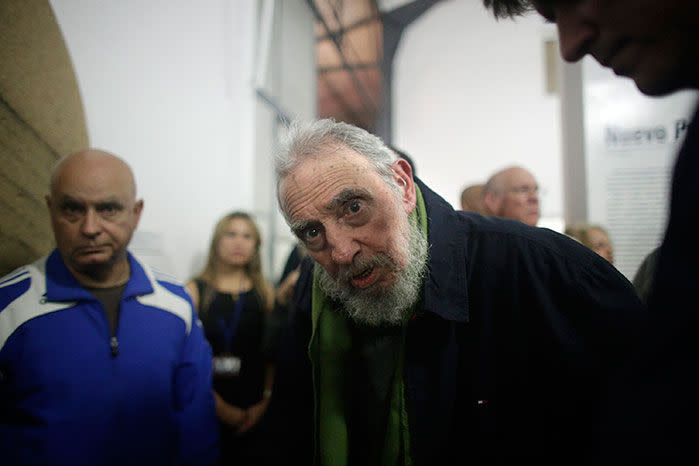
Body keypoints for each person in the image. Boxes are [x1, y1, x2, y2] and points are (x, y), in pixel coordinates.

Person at [271, 118, 645, 465]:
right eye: (312, 232)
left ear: (401, 184)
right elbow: (292, 425)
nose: (340, 251)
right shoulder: (316, 287)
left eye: (353, 207)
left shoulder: (546, 271)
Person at [482, 1, 699, 463]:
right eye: (519, 191)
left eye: (572, 0)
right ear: (491, 201)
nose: (570, 44)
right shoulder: (481, 264)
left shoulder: (562, 263)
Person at [0, 149, 218, 466]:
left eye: (108, 209)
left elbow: (196, 420)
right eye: (72, 209)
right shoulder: (9, 306)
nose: (90, 227)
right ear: (50, 209)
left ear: (136, 212)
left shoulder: (174, 303)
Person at [185, 211, 276, 466]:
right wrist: (220, 409)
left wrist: (265, 400)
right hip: (208, 405)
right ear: (217, 241)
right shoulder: (194, 290)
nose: (239, 242)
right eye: (231, 234)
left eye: (247, 236)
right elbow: (185, 360)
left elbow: (272, 355)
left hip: (256, 408)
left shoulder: (265, 292)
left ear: (256, 246)